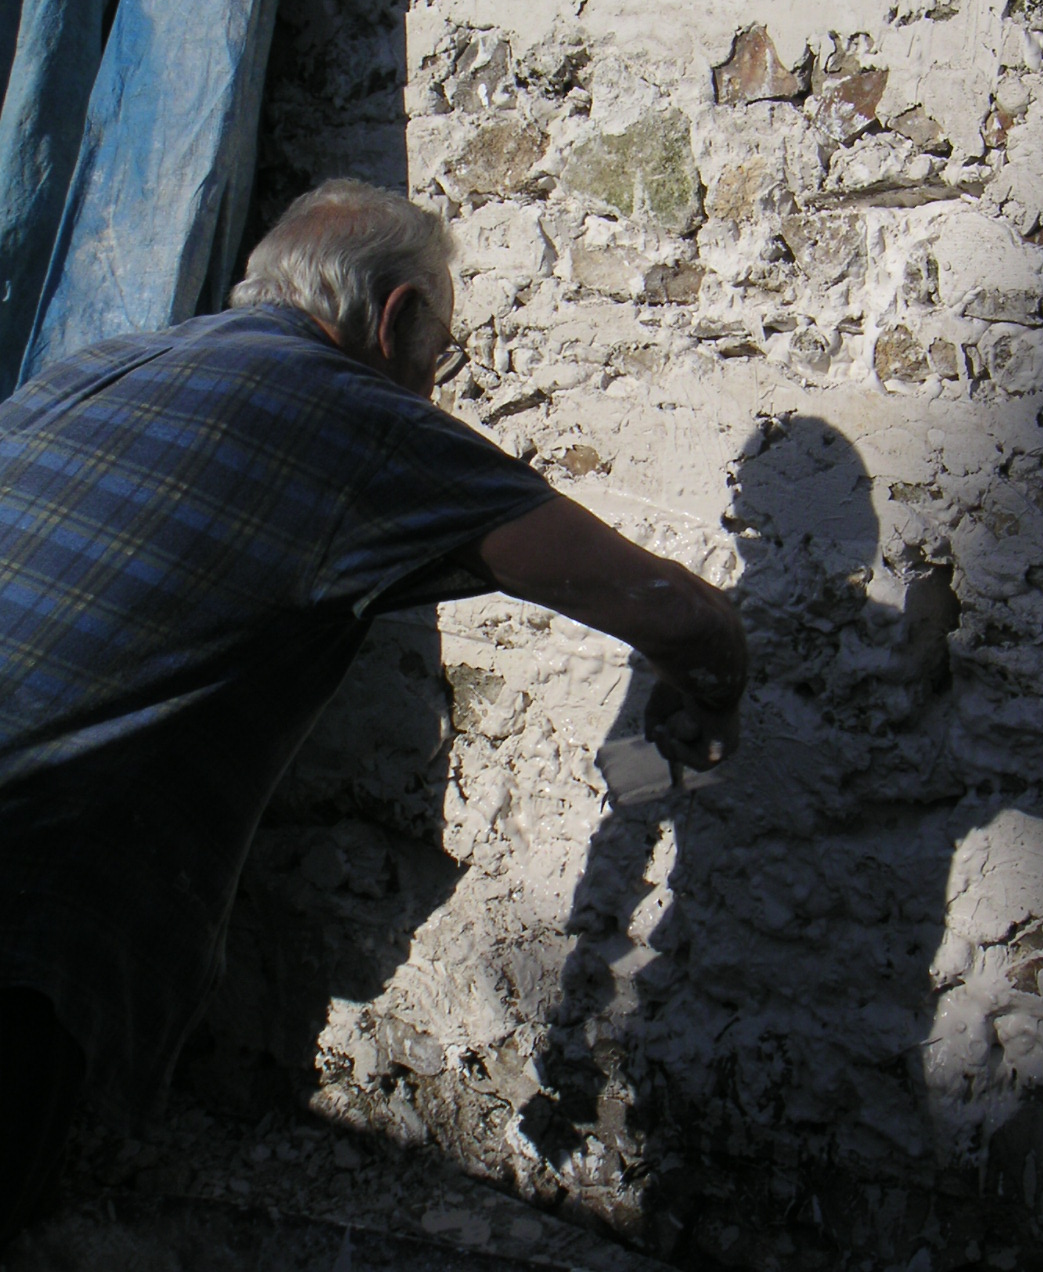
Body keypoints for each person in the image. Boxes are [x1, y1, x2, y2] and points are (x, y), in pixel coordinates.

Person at [0, 179, 746, 1241]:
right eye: (441, 352)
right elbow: (675, 609)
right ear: (396, 319)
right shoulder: (355, 414)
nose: (434, 382)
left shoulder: (95, 369)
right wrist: (706, 701)